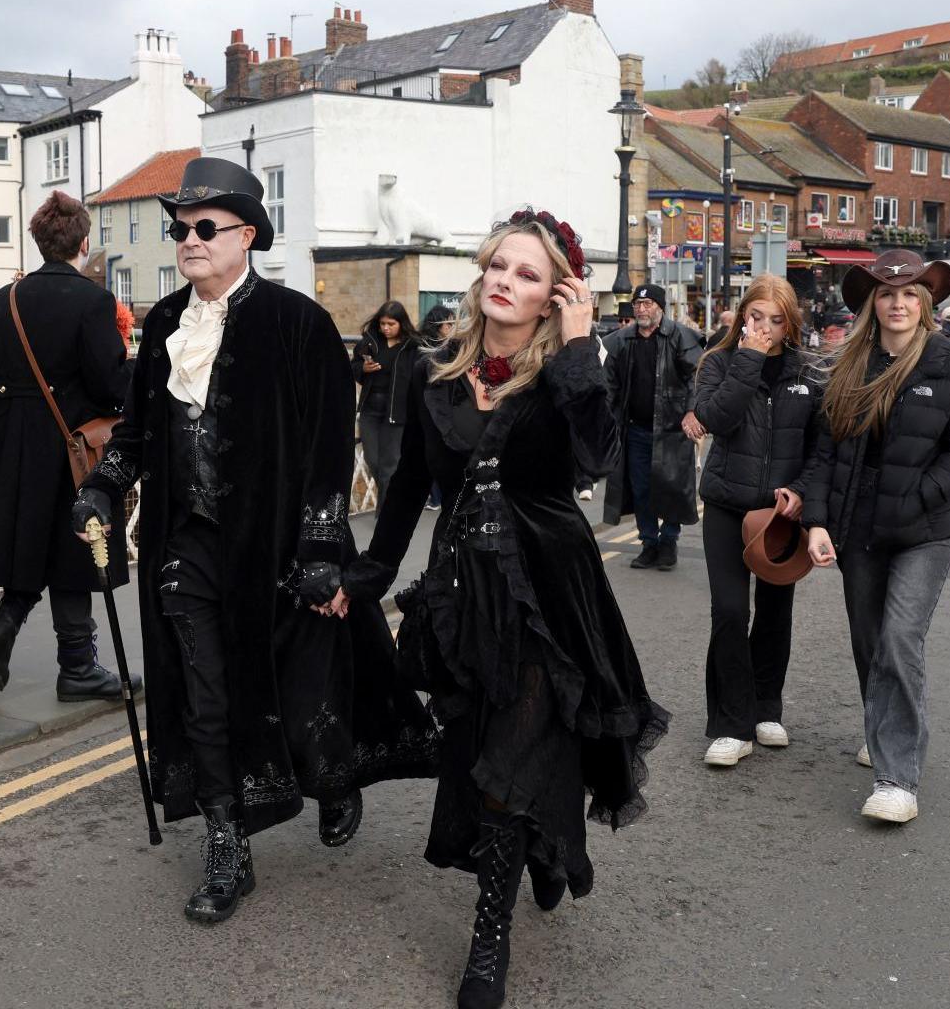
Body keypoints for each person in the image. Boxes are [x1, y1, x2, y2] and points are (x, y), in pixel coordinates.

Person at [70, 158, 437, 926]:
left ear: (247, 236)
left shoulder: (299, 324)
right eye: (181, 228)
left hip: (278, 550)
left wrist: (319, 548)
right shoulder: (166, 324)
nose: (189, 239)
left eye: (206, 227)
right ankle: (227, 839)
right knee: (204, 696)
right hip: (187, 549)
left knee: (302, 694)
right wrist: (104, 486)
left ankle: (332, 778)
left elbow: (332, 448)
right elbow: (137, 432)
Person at [338, 209, 669, 1009]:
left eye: (527, 274)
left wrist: (584, 340)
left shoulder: (568, 373)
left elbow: (594, 462)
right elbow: (409, 487)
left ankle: (491, 935)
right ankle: (546, 853)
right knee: (482, 740)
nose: (505, 283)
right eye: (499, 266)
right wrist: (367, 577)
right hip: (464, 591)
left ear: (553, 293)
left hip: (548, 588)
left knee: (515, 752)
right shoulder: (434, 374)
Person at [802, 250, 950, 825]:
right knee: (868, 642)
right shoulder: (849, 367)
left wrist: (922, 495)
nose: (899, 302)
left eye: (910, 293)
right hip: (858, 524)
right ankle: (881, 725)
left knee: (900, 637)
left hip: (924, 529)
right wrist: (816, 521)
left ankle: (897, 778)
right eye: (888, 294)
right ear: (872, 304)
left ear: (925, 302)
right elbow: (824, 453)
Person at [0, 192, 134, 700]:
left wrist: (1, 443)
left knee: (34, 541)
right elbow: (109, 384)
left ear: (39, 242)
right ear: (84, 243)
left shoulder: (1, 302)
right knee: (75, 545)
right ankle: (78, 666)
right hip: (73, 442)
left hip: (16, 439)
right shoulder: (94, 301)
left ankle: (5, 625)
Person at [692, 274, 820, 767]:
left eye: (776, 319)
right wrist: (747, 358)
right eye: (756, 316)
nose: (765, 326)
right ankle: (730, 723)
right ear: (742, 316)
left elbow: (819, 446)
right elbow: (716, 420)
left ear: (790, 325)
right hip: (726, 504)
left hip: (780, 514)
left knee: (774, 613)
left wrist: (802, 492)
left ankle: (767, 707)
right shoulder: (718, 363)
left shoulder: (809, 372)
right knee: (728, 611)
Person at [600, 284, 703, 570]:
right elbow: (609, 384)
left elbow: (697, 375)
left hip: (672, 428)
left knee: (670, 487)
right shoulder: (621, 340)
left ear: (660, 307)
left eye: (647, 305)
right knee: (642, 489)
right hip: (635, 430)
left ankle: (669, 542)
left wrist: (693, 410)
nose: (642, 310)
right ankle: (649, 543)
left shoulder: (680, 336)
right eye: (637, 305)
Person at [354, 300, 420, 510]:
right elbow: (352, 365)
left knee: (390, 466)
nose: (385, 328)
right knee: (373, 461)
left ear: (401, 323)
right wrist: (363, 368)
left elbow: (421, 376)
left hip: (397, 412)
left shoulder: (413, 346)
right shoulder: (371, 341)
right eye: (382, 323)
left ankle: (386, 514)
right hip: (370, 410)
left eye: (390, 323)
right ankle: (392, 503)